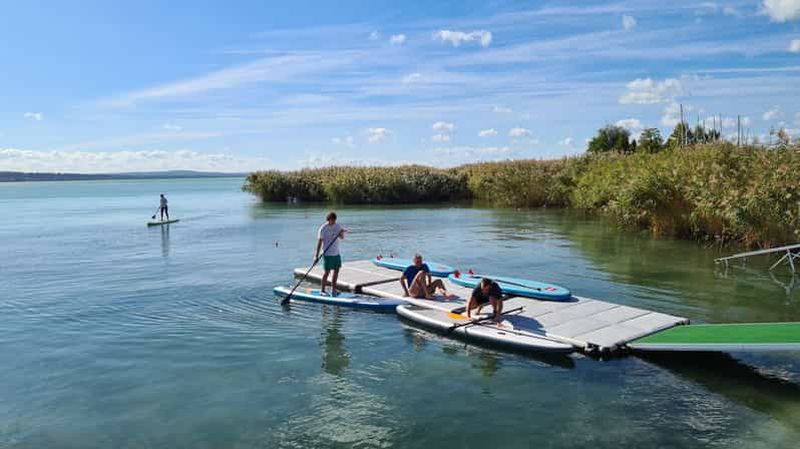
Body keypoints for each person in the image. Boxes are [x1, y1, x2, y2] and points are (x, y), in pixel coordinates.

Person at [315, 211, 346, 296]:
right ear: (328, 219)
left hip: (336, 253)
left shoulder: (337, 226)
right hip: (327, 254)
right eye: (332, 220)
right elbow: (319, 243)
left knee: (336, 271)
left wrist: (341, 233)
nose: (334, 222)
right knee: (327, 272)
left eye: (335, 220)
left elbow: (342, 237)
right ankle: (322, 291)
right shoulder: (323, 229)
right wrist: (316, 256)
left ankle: (333, 290)